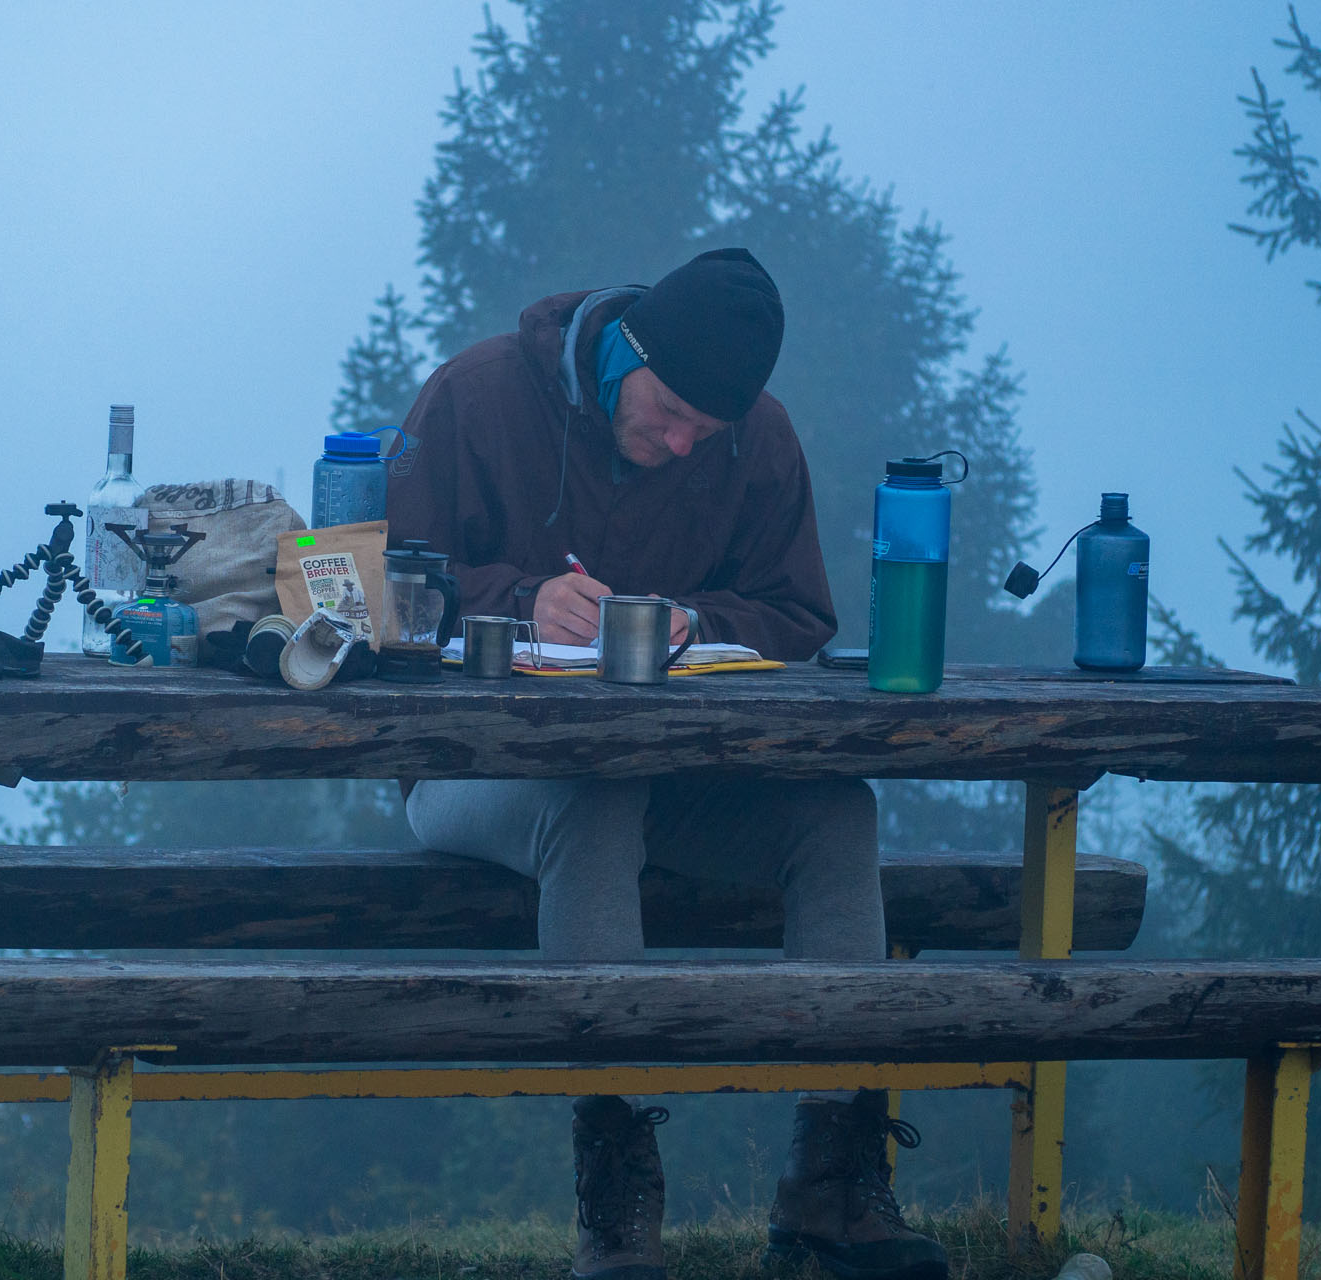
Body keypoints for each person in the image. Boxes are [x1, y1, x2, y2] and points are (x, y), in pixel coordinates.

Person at [387, 248, 949, 1280]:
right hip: (472, 773)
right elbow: (381, 585)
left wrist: (701, 619)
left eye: (708, 430)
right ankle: (616, 1192)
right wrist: (514, 597)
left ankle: (832, 1180)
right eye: (673, 412)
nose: (687, 442)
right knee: (592, 806)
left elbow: (799, 614)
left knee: (838, 817)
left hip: (675, 776)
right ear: (624, 352)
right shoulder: (475, 398)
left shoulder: (757, 442)